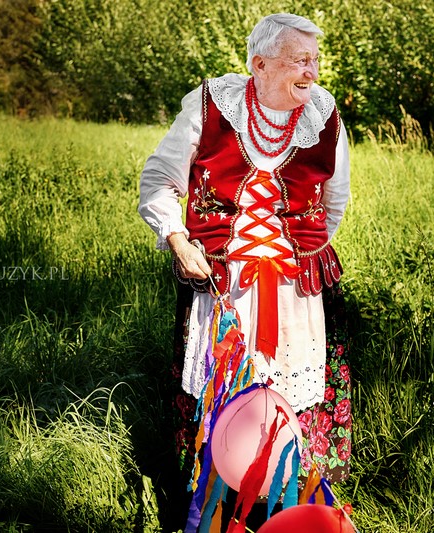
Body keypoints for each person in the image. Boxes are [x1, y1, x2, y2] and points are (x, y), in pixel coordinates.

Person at [138, 12, 352, 531]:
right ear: (259, 64)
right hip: (222, 287)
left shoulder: (323, 115)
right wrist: (176, 236)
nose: (313, 73)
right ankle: (213, 512)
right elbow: (161, 179)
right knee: (223, 391)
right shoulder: (211, 105)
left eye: (315, 60)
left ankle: (293, 515)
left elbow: (334, 200)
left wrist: (297, 254)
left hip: (295, 294)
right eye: (300, 61)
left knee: (291, 398)